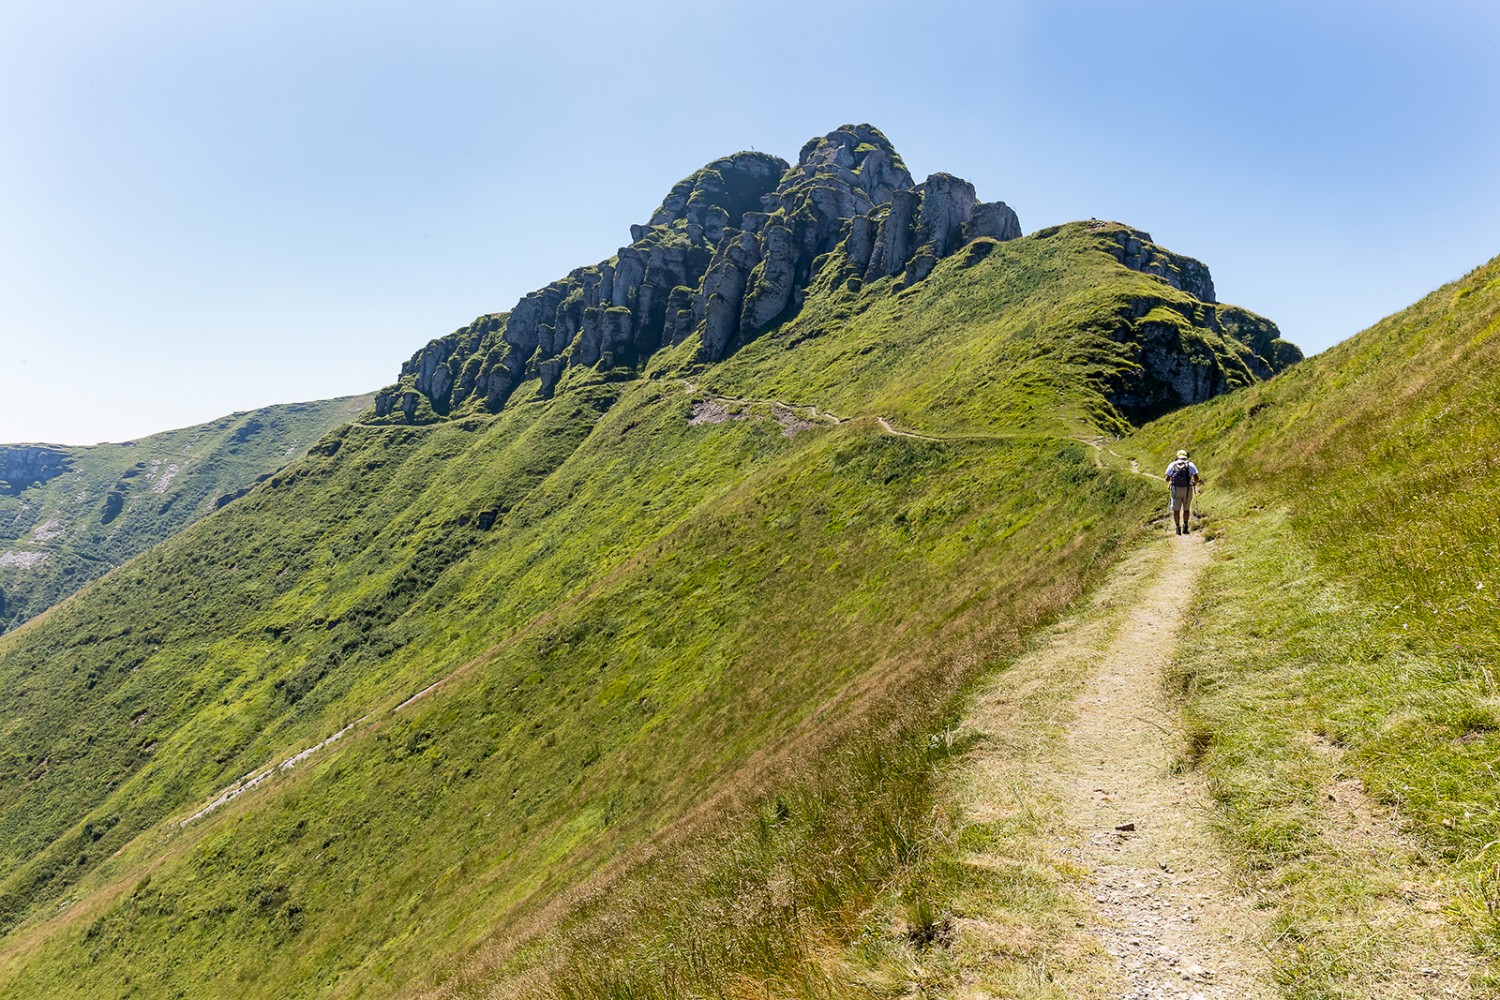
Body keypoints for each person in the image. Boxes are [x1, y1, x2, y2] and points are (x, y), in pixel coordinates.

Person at [1164, 449, 1199, 535]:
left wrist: (1172, 480)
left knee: (1176, 510)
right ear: (1185, 457)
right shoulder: (1190, 464)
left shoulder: (1172, 464)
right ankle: (1185, 526)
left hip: (1176, 489)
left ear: (1177, 456)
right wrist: (1194, 483)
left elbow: (1167, 479)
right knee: (1186, 509)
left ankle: (1177, 528)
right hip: (1187, 489)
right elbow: (1197, 477)